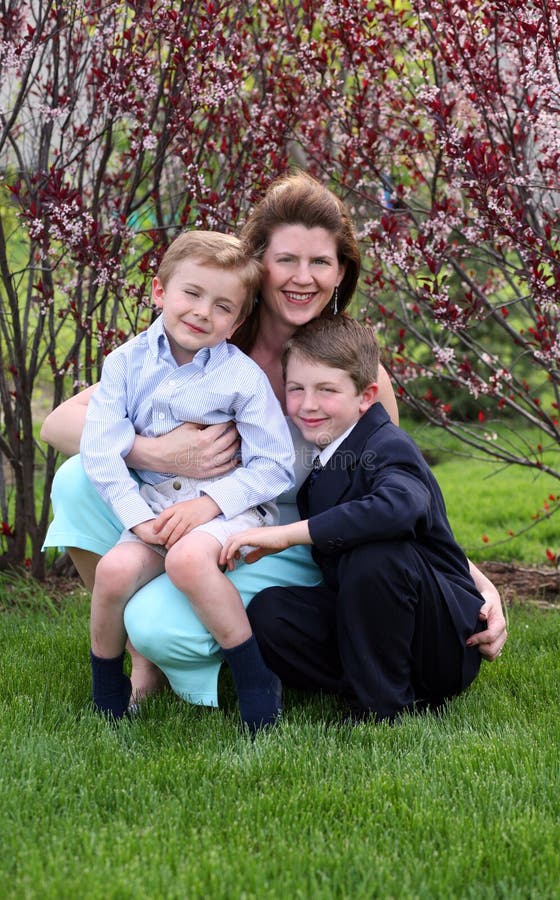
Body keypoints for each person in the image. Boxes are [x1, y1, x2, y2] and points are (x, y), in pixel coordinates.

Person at [41, 171, 507, 717]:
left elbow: (398, 492)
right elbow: (60, 423)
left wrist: (474, 583)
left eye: (321, 263)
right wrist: (155, 453)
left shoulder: (350, 371)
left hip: (282, 537)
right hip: (180, 507)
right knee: (76, 480)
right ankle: (140, 653)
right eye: (287, 260)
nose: (302, 278)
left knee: (159, 627)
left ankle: (161, 641)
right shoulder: (211, 334)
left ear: (341, 273)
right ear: (258, 262)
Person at [221, 315, 487, 721]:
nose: (308, 405)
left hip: (441, 639)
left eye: (327, 390)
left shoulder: (386, 444)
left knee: (374, 553)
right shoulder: (327, 458)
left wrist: (290, 534)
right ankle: (370, 680)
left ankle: (382, 707)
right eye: (296, 389)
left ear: (366, 397)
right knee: (271, 613)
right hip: (372, 619)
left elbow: (399, 508)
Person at [81, 230, 294, 728]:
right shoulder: (124, 364)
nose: (203, 312)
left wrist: (209, 505)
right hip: (154, 508)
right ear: (159, 291)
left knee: (189, 558)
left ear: (238, 321)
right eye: (191, 294)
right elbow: (101, 452)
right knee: (112, 572)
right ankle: (108, 685)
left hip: (226, 509)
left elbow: (275, 464)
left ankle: (255, 678)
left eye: (223, 306)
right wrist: (137, 521)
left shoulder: (241, 377)